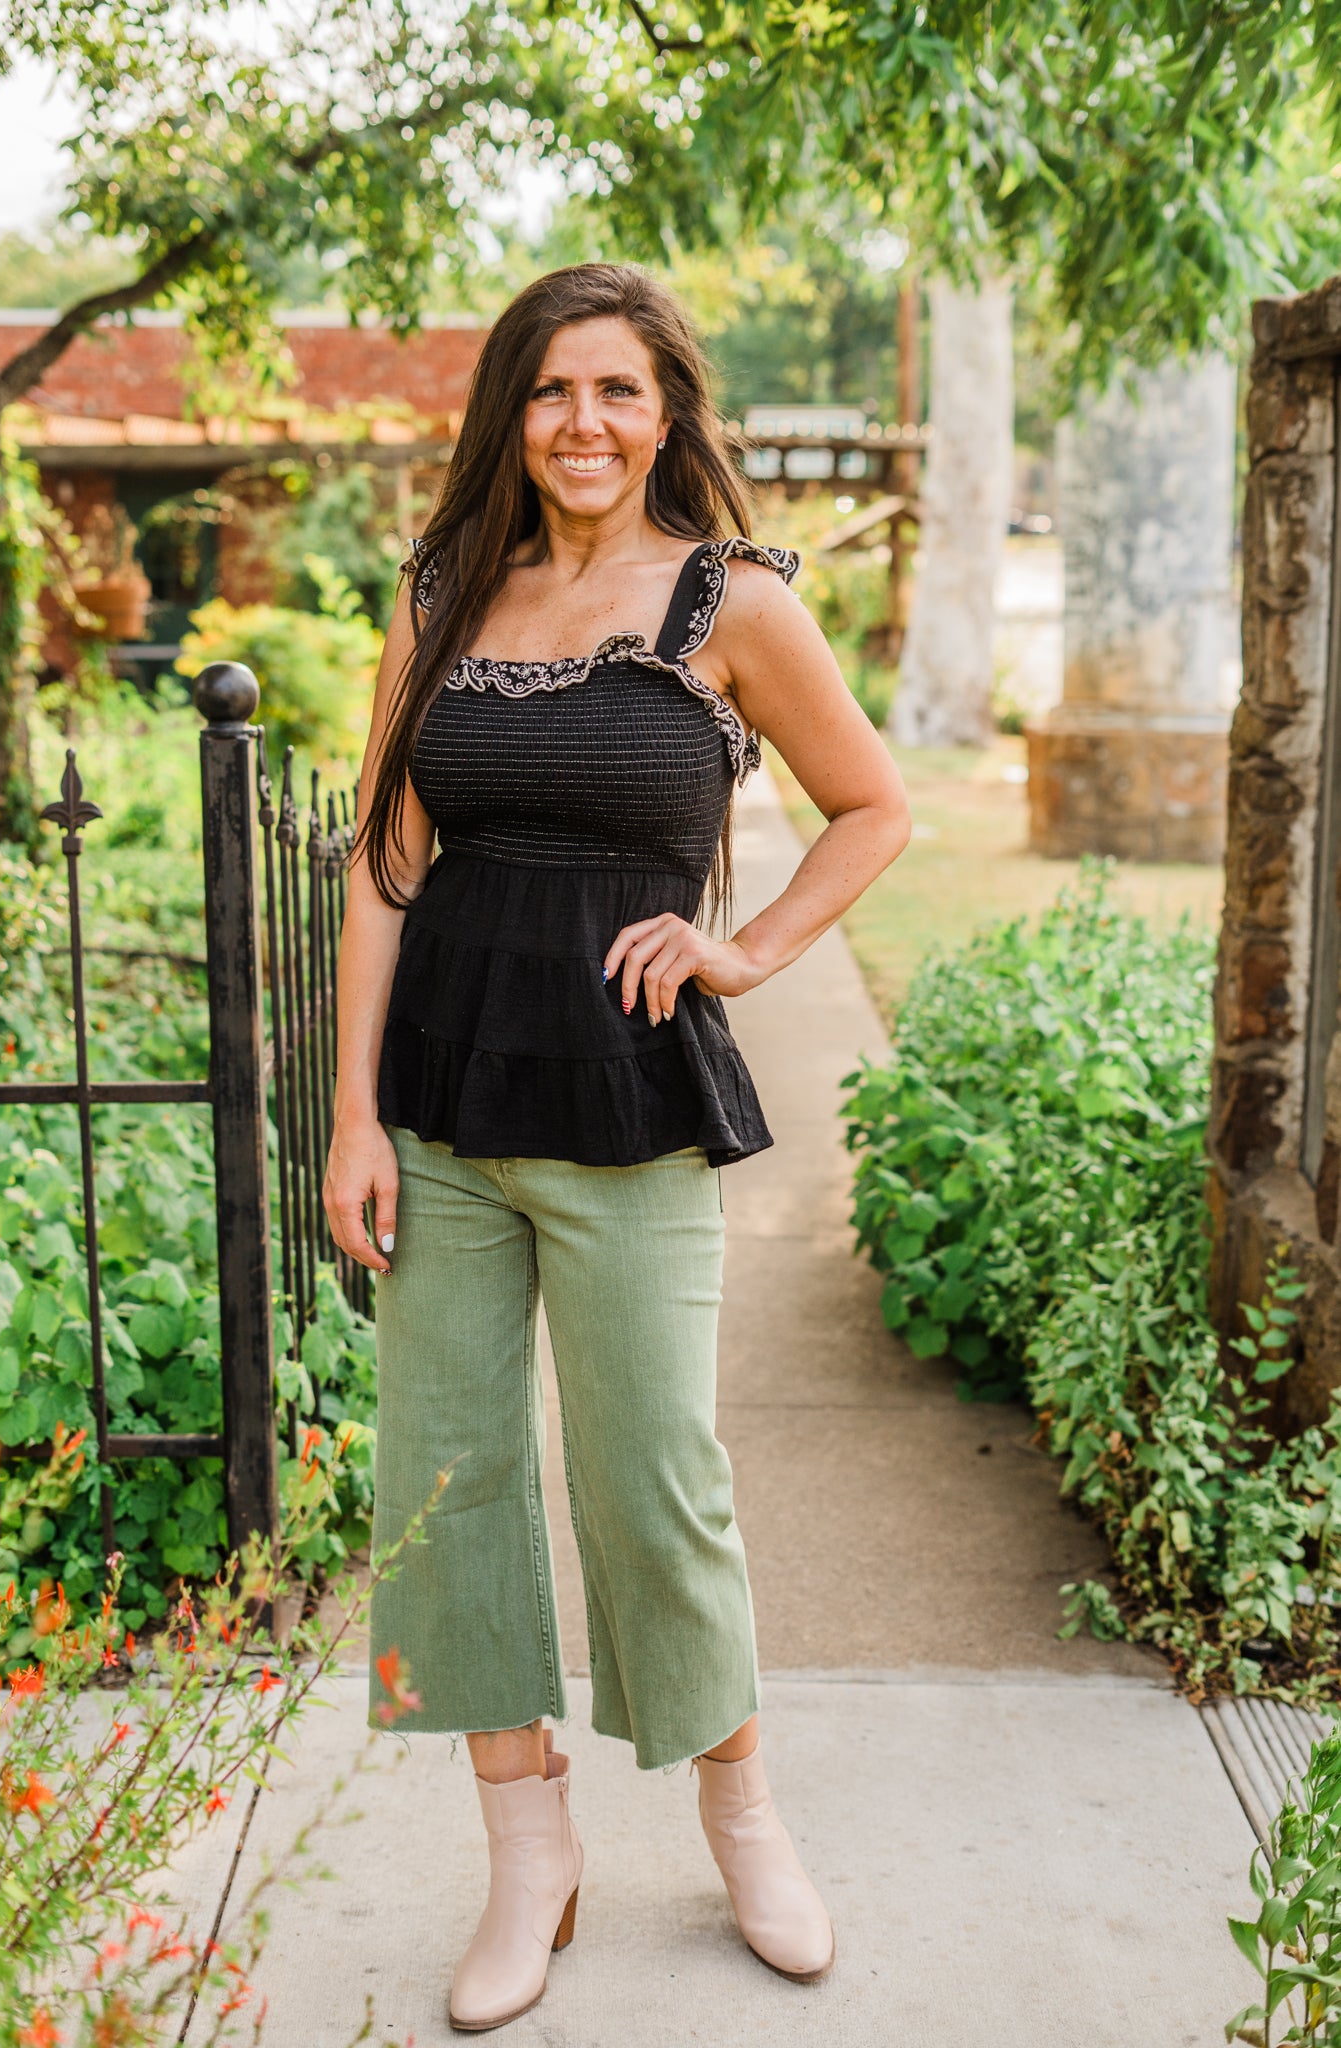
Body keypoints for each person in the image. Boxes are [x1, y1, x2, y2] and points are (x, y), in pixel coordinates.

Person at [323, 261, 910, 2033]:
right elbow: (385, 863)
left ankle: (741, 1821)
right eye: (551, 391)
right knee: (444, 1488)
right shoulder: (442, 593)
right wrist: (349, 1110)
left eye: (619, 393)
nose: (584, 424)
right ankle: (529, 1857)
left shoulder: (732, 603)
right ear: (511, 409)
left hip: (629, 1104)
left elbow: (872, 807)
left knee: (654, 1483)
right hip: (436, 1112)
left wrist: (748, 949)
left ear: (667, 415)